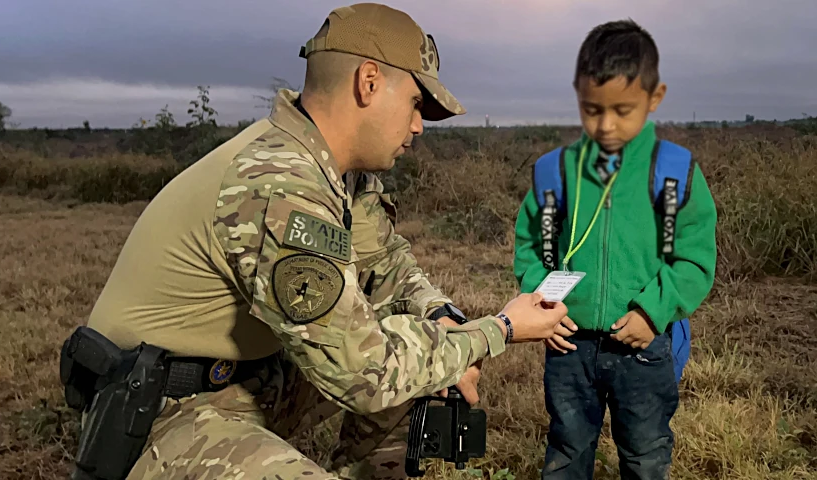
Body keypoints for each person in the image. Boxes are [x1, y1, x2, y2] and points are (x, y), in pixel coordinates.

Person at [76, 3, 569, 479]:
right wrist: (497, 329)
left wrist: (442, 317)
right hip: (162, 413)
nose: (418, 126)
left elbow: (387, 264)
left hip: (247, 381)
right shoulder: (281, 182)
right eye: (417, 103)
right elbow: (362, 370)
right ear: (369, 82)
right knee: (406, 366)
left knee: (422, 362)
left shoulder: (333, 171)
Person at [513, 19, 718, 480]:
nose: (605, 125)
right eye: (591, 109)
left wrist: (653, 312)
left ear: (654, 97)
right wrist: (542, 299)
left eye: (622, 110)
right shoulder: (555, 172)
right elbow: (530, 245)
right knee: (567, 449)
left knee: (646, 456)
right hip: (568, 345)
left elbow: (694, 258)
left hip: (643, 346)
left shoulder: (674, 173)